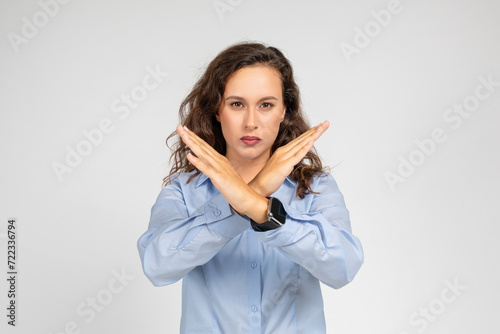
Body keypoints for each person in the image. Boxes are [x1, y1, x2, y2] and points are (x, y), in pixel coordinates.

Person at [137, 42, 364, 334]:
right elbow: (158, 265)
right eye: (236, 104)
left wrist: (259, 207)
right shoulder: (184, 190)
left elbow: (343, 267)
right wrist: (248, 197)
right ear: (217, 111)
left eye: (266, 105)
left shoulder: (315, 187)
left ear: (285, 111)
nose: (251, 122)